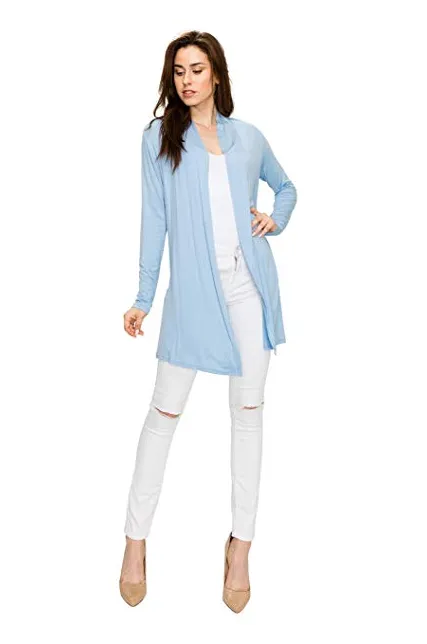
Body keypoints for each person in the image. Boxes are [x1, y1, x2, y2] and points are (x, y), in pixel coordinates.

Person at [119, 30, 297, 612]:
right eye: (178, 71)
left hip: (250, 292)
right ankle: (135, 541)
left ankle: (240, 548)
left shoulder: (248, 138)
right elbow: (153, 220)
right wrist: (144, 296)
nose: (187, 80)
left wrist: (275, 218)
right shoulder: (159, 140)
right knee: (163, 414)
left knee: (248, 417)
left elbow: (286, 187)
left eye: (197, 69)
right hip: (194, 297)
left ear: (216, 74)